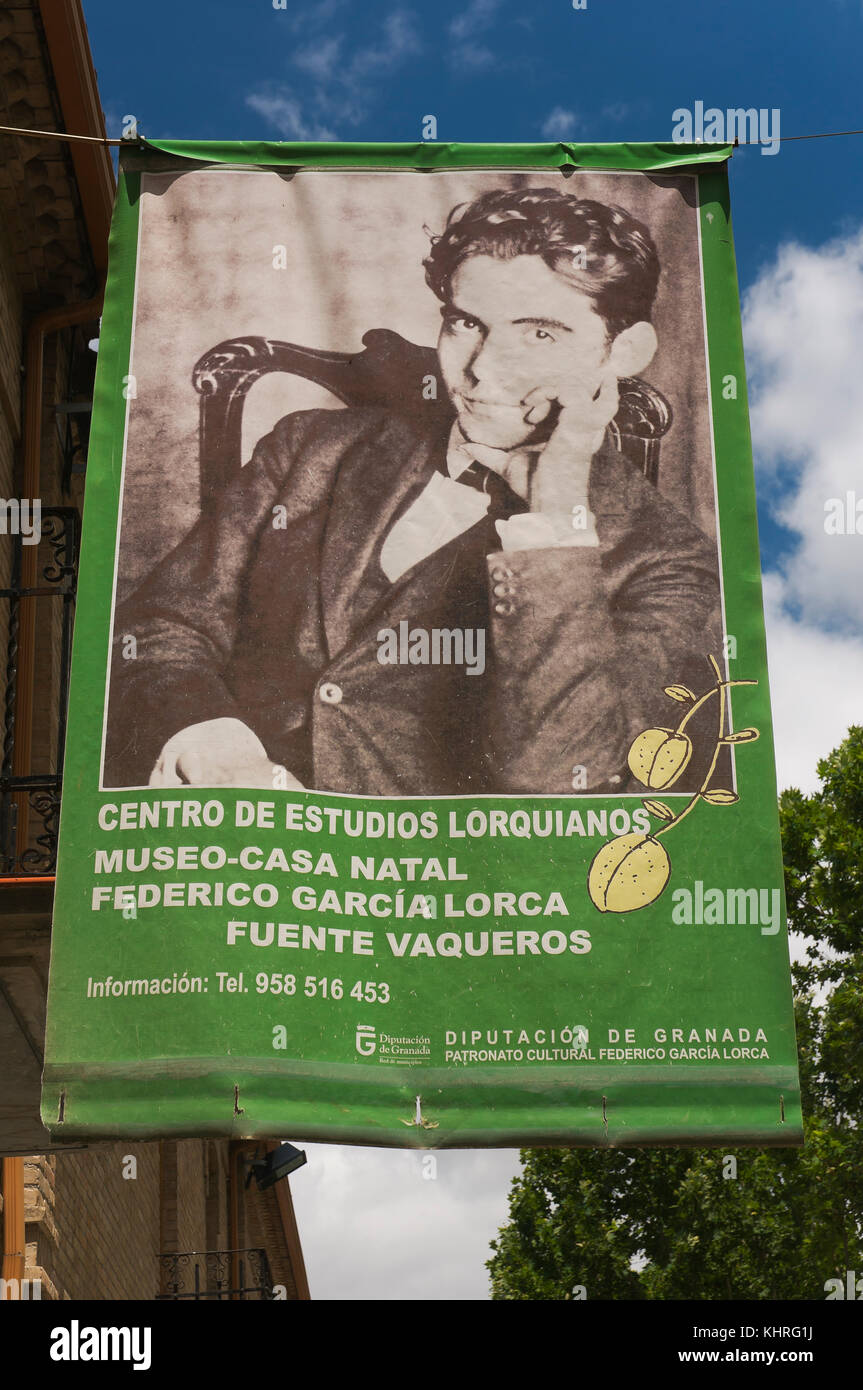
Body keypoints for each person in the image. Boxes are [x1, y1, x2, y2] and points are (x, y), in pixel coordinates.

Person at [106, 186, 722, 796]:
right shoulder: (309, 448)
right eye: (467, 324)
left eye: (540, 335)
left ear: (625, 352)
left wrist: (558, 514)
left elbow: (565, 772)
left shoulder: (666, 560)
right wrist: (207, 729)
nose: (483, 369)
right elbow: (161, 623)